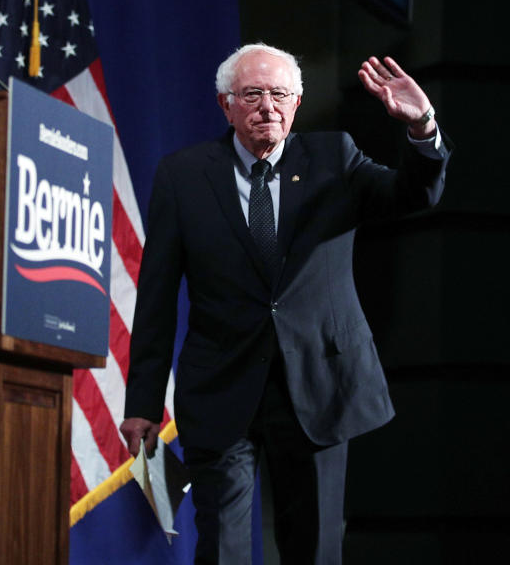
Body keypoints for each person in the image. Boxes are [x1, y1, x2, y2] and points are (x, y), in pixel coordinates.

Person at [119, 43, 451, 564]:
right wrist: (141, 402)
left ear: (297, 103)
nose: (267, 106)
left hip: (319, 386)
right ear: (225, 104)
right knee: (223, 548)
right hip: (222, 388)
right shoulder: (182, 176)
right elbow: (156, 296)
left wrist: (421, 127)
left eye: (280, 94)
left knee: (314, 549)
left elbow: (414, 194)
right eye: (252, 94)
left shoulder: (334, 158)